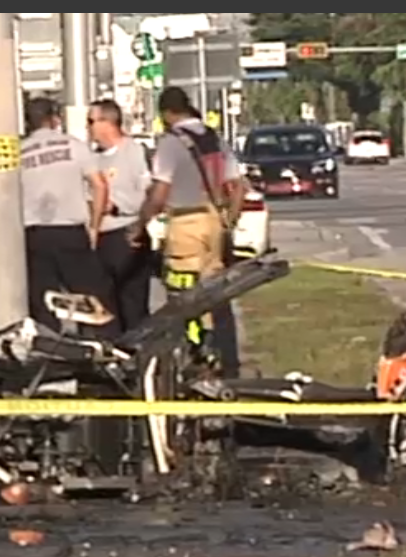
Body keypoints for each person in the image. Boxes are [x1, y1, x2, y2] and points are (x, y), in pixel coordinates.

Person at [137, 87, 245, 377]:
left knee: (183, 294)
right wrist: (228, 222)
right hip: (214, 224)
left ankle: (196, 355)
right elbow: (238, 187)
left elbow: (160, 193)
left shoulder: (171, 144)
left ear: (166, 114)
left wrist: (140, 222)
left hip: (186, 224)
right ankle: (226, 358)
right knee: (217, 293)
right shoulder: (214, 138)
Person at [19, 97, 120, 337]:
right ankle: (99, 347)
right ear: (54, 120)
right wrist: (94, 226)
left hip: (34, 233)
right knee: (91, 295)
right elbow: (100, 186)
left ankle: (49, 349)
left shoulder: (18, 153)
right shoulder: (74, 146)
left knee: (44, 298)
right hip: (70, 232)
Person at [87, 98, 156, 332]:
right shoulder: (92, 157)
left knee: (133, 303)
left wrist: (115, 205)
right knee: (106, 306)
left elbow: (147, 193)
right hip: (101, 238)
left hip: (127, 234)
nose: (88, 127)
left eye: (91, 121)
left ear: (107, 122)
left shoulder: (133, 151)